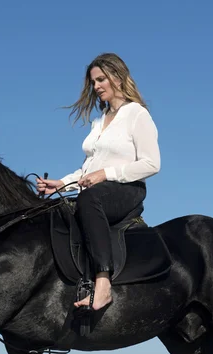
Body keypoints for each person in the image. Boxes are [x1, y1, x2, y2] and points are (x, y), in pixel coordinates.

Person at [37, 53, 160, 312]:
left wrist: (106, 174)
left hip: (127, 190)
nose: (96, 87)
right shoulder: (98, 121)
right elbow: (87, 169)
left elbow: (151, 164)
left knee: (89, 198)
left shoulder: (137, 114)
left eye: (101, 79)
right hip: (96, 191)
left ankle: (103, 285)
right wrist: (61, 184)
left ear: (118, 76)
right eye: (93, 82)